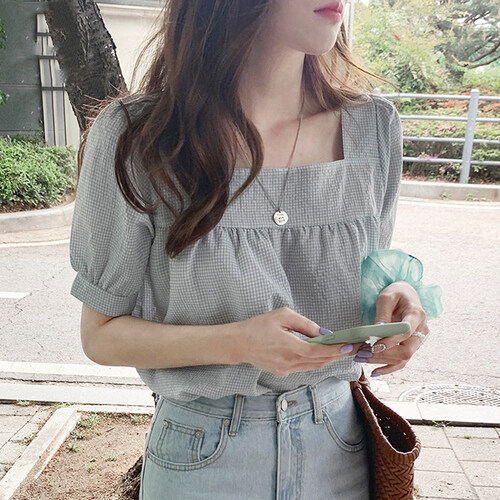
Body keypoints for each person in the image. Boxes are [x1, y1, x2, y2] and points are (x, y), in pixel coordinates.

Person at [69, 1, 430, 498]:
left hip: (340, 447)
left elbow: (373, 275)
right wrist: (239, 343)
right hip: (203, 457)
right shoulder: (138, 137)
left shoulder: (374, 126)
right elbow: (101, 337)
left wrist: (400, 300)